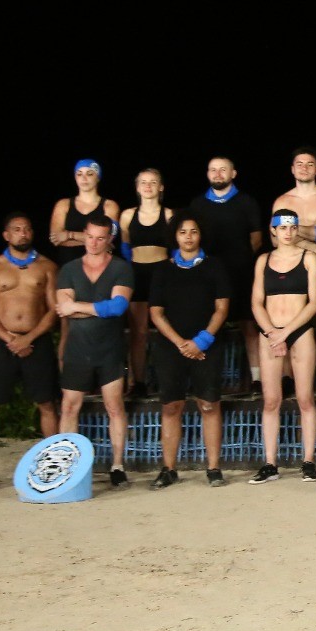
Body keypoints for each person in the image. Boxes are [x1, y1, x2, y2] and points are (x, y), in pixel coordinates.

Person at [0, 212, 60, 492]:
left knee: (47, 403)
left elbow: (53, 310)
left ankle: (53, 467)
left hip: (36, 340)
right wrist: (10, 338)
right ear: (6, 235)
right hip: (1, 342)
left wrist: (28, 338)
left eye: (27, 229)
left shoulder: (47, 267)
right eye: (17, 229)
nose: (23, 233)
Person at [146, 212, 231, 489]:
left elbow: (222, 308)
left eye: (193, 231)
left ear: (200, 234)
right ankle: (169, 469)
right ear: (175, 236)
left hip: (207, 345)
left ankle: (214, 468)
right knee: (171, 406)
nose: (189, 237)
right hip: (172, 346)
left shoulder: (215, 266)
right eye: (183, 232)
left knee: (208, 404)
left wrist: (201, 341)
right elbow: (156, 313)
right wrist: (181, 344)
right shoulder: (162, 270)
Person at [54, 211, 136, 487]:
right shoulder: (69, 269)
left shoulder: (121, 268)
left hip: (109, 348)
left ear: (109, 239)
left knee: (114, 406)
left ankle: (117, 465)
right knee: (69, 407)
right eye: (89, 236)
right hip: (78, 349)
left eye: (100, 238)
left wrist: (77, 307)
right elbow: (63, 310)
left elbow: (118, 307)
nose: (93, 242)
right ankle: (66, 466)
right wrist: (98, 309)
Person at [248, 209, 316, 484]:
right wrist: (272, 332)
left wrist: (285, 333)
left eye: (292, 228)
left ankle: (308, 461)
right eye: (283, 228)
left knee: (305, 398)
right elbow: (256, 301)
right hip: (270, 331)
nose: (288, 233)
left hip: (298, 330)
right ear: (274, 230)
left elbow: (314, 303)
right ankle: (270, 463)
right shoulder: (264, 260)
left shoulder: (309, 258)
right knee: (271, 400)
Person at [188, 155, 264, 394]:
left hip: (241, 274)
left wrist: (240, 261)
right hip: (207, 277)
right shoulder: (197, 204)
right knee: (208, 326)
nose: (218, 174)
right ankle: (206, 379)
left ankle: (257, 380)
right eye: (213, 169)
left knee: (249, 326)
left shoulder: (247, 202)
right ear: (207, 174)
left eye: (223, 169)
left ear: (233, 174)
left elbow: (256, 238)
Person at [275, 146, 316, 393]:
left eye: (309, 164)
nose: (304, 168)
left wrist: (290, 228)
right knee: (286, 319)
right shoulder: (282, 200)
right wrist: (310, 231)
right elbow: (274, 239)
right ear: (292, 169)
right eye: (299, 164)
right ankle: (288, 378)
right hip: (288, 264)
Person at [48, 159, 121, 364]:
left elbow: (110, 239)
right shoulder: (63, 204)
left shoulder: (109, 205)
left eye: (89, 173)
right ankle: (65, 377)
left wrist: (70, 235)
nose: (84, 178)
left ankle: (103, 376)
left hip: (101, 269)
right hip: (69, 269)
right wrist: (95, 238)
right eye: (79, 174)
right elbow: (55, 237)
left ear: (98, 177)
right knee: (67, 326)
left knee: (100, 321)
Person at [118, 168, 174, 400]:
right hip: (137, 273)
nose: (148, 186)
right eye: (143, 182)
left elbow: (175, 247)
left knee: (166, 329)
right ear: (137, 187)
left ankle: (170, 381)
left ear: (161, 187)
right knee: (138, 332)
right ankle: (138, 382)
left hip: (162, 273)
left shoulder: (168, 214)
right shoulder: (127, 215)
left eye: (153, 182)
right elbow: (124, 247)